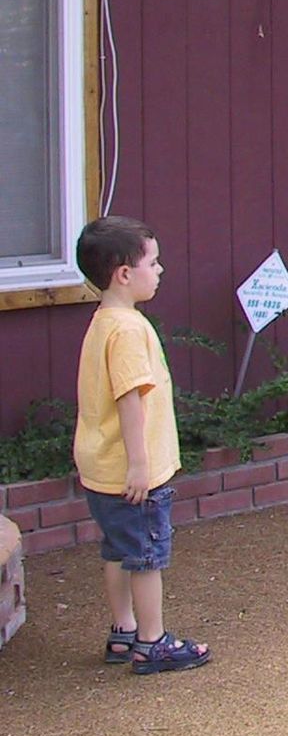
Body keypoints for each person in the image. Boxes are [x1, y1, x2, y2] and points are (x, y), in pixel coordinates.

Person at [73, 216, 210, 674]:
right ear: (124, 274)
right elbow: (128, 398)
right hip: (132, 472)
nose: (161, 269)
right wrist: (139, 465)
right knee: (147, 557)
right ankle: (153, 643)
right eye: (153, 261)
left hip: (100, 466)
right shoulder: (129, 329)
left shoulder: (104, 322)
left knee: (117, 549)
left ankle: (123, 630)